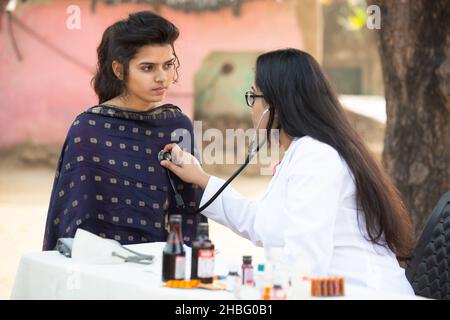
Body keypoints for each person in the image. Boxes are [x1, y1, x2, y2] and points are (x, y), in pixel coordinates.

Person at [160, 49, 415, 294]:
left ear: (276, 106)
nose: (252, 107)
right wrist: (200, 178)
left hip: (362, 292)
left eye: (253, 96)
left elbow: (305, 264)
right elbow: (261, 223)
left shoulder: (317, 157)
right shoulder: (304, 151)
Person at [43, 11, 205, 251]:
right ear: (119, 70)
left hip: (163, 266)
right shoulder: (88, 130)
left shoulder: (177, 126)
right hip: (99, 267)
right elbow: (73, 215)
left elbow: (190, 209)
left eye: (168, 65)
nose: (162, 77)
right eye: (148, 68)